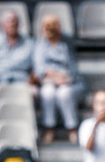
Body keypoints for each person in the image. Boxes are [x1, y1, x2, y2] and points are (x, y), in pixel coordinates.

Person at [33, 14, 82, 143]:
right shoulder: (40, 45)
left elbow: (73, 67)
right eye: (46, 26)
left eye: (53, 26)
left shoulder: (67, 42)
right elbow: (40, 69)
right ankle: (49, 127)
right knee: (47, 92)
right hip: (49, 81)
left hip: (69, 81)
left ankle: (72, 128)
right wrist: (55, 77)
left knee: (64, 93)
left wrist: (65, 78)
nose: (50, 29)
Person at [0, 11, 37, 103]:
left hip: (22, 79)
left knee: (34, 92)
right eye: (9, 21)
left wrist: (32, 78)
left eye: (15, 21)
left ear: (19, 24)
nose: (12, 24)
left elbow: (35, 65)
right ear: (2, 25)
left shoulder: (30, 43)